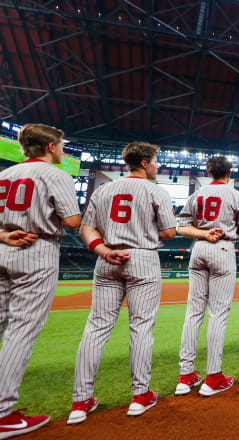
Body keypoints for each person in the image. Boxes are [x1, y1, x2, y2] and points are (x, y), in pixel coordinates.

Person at [69, 142, 176, 424]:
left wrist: (104, 250)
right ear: (143, 163)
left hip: (108, 257)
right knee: (141, 327)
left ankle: (80, 402)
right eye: (154, 161)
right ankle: (140, 396)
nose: (157, 165)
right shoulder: (156, 190)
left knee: (96, 327)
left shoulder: (104, 190)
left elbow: (86, 228)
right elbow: (168, 233)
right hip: (142, 258)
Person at [0, 124, 80, 437]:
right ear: (49, 147)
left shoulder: (4, 175)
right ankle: (3, 413)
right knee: (21, 330)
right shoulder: (56, 175)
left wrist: (5, 233)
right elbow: (72, 220)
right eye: (61, 145)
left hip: (4, 245)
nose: (62, 150)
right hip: (37, 248)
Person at [174, 156, 239, 397]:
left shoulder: (197, 194)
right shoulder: (236, 194)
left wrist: (204, 232)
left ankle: (186, 376)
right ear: (229, 172)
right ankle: (213, 377)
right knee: (217, 313)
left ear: (208, 172)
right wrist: (224, 226)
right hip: (222, 249)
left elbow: (180, 226)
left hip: (198, 249)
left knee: (193, 312)